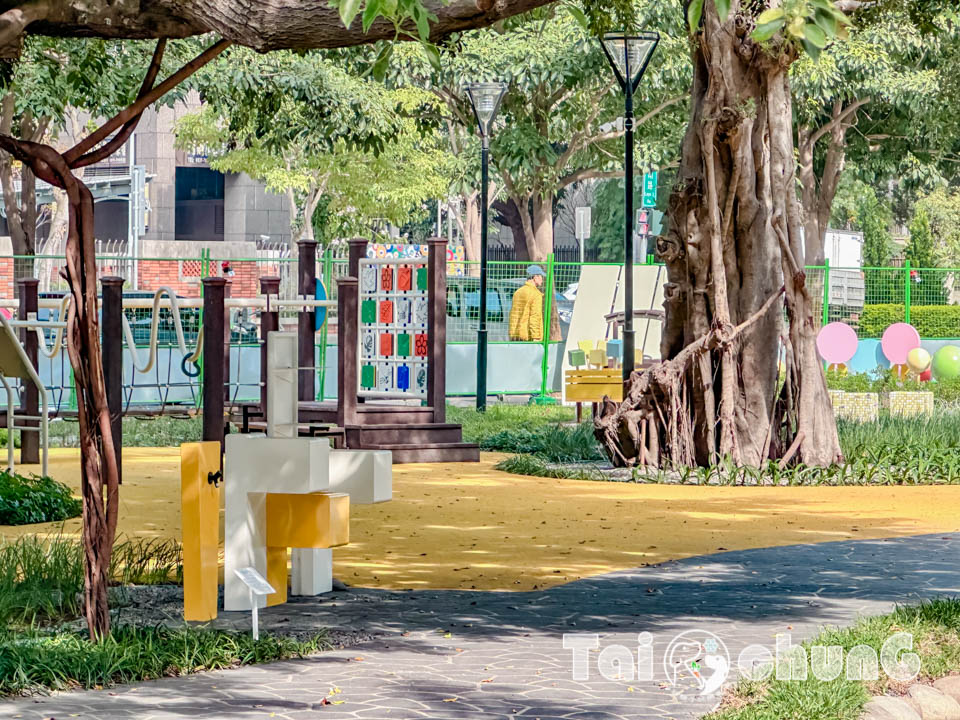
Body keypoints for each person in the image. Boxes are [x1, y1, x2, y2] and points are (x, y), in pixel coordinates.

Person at [508, 265, 545, 341]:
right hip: (528, 336)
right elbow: (535, 316)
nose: (542, 280)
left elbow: (514, 314)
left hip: (516, 334)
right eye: (541, 277)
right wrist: (536, 337)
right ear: (535, 277)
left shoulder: (518, 292)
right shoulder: (536, 294)